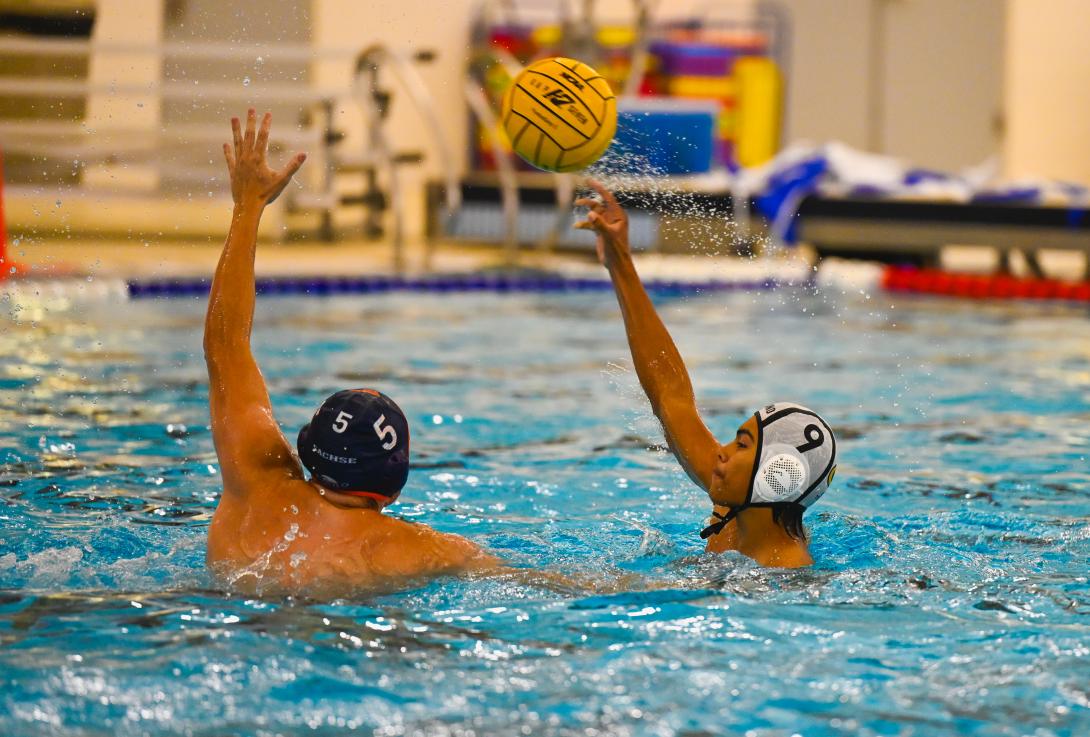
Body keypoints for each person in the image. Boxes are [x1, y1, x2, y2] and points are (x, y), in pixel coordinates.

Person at [204, 110, 498, 596]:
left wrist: (248, 207)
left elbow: (224, 343)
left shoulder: (254, 480)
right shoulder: (420, 550)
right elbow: (549, 587)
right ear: (394, 485)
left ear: (304, 447)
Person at [575, 181, 838, 568]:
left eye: (742, 445)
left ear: (776, 476)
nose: (722, 453)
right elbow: (670, 397)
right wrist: (621, 261)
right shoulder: (740, 500)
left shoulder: (779, 572)